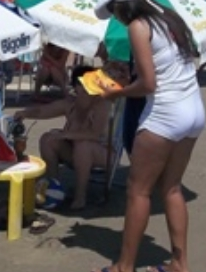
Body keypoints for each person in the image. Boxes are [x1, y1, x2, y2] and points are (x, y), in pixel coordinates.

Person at [88, 0, 203, 272]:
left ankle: (124, 269)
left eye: (114, 11)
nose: (115, 18)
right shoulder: (169, 18)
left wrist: (116, 93)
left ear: (122, 5)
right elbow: (169, 67)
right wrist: (132, 79)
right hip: (193, 109)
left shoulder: (139, 25)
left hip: (165, 113)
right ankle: (179, 265)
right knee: (172, 188)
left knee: (138, 191)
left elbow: (149, 84)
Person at [13, 63, 126, 211]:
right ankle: (53, 186)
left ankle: (80, 196)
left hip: (104, 153)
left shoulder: (102, 104)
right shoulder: (71, 104)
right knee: (48, 139)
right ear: (76, 87)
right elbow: (43, 111)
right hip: (76, 151)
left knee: (83, 145)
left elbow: (95, 134)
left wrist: (66, 134)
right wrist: (24, 113)